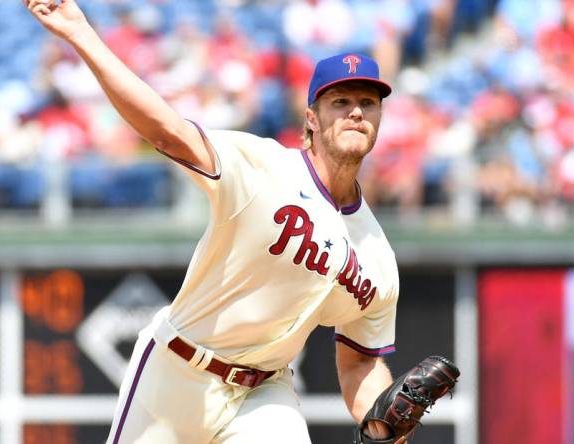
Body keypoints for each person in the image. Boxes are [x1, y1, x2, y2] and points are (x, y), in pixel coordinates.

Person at [23, 1, 448, 443]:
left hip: (262, 395)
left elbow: (360, 362)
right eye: (340, 102)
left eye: (368, 102)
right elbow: (168, 132)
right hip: (176, 372)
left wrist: (384, 425)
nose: (356, 112)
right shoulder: (261, 167)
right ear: (311, 118)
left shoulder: (377, 256)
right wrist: (81, 34)